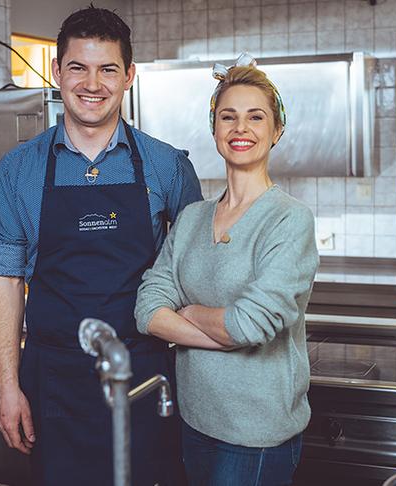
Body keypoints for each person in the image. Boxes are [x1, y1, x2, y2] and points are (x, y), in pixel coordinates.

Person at [0, 6, 202, 486]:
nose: (92, 83)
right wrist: (7, 385)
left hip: (144, 372)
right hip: (53, 378)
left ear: (129, 76)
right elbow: (4, 276)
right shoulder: (17, 171)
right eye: (78, 67)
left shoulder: (168, 167)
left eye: (107, 69)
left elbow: (193, 276)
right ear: (57, 71)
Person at [135, 54, 319, 486]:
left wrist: (189, 314)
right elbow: (147, 309)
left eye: (256, 117)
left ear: (276, 130)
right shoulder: (192, 219)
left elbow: (250, 326)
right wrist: (230, 332)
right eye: (228, 117)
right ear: (214, 128)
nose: (241, 129)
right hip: (196, 421)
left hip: (257, 432)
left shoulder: (289, 220)